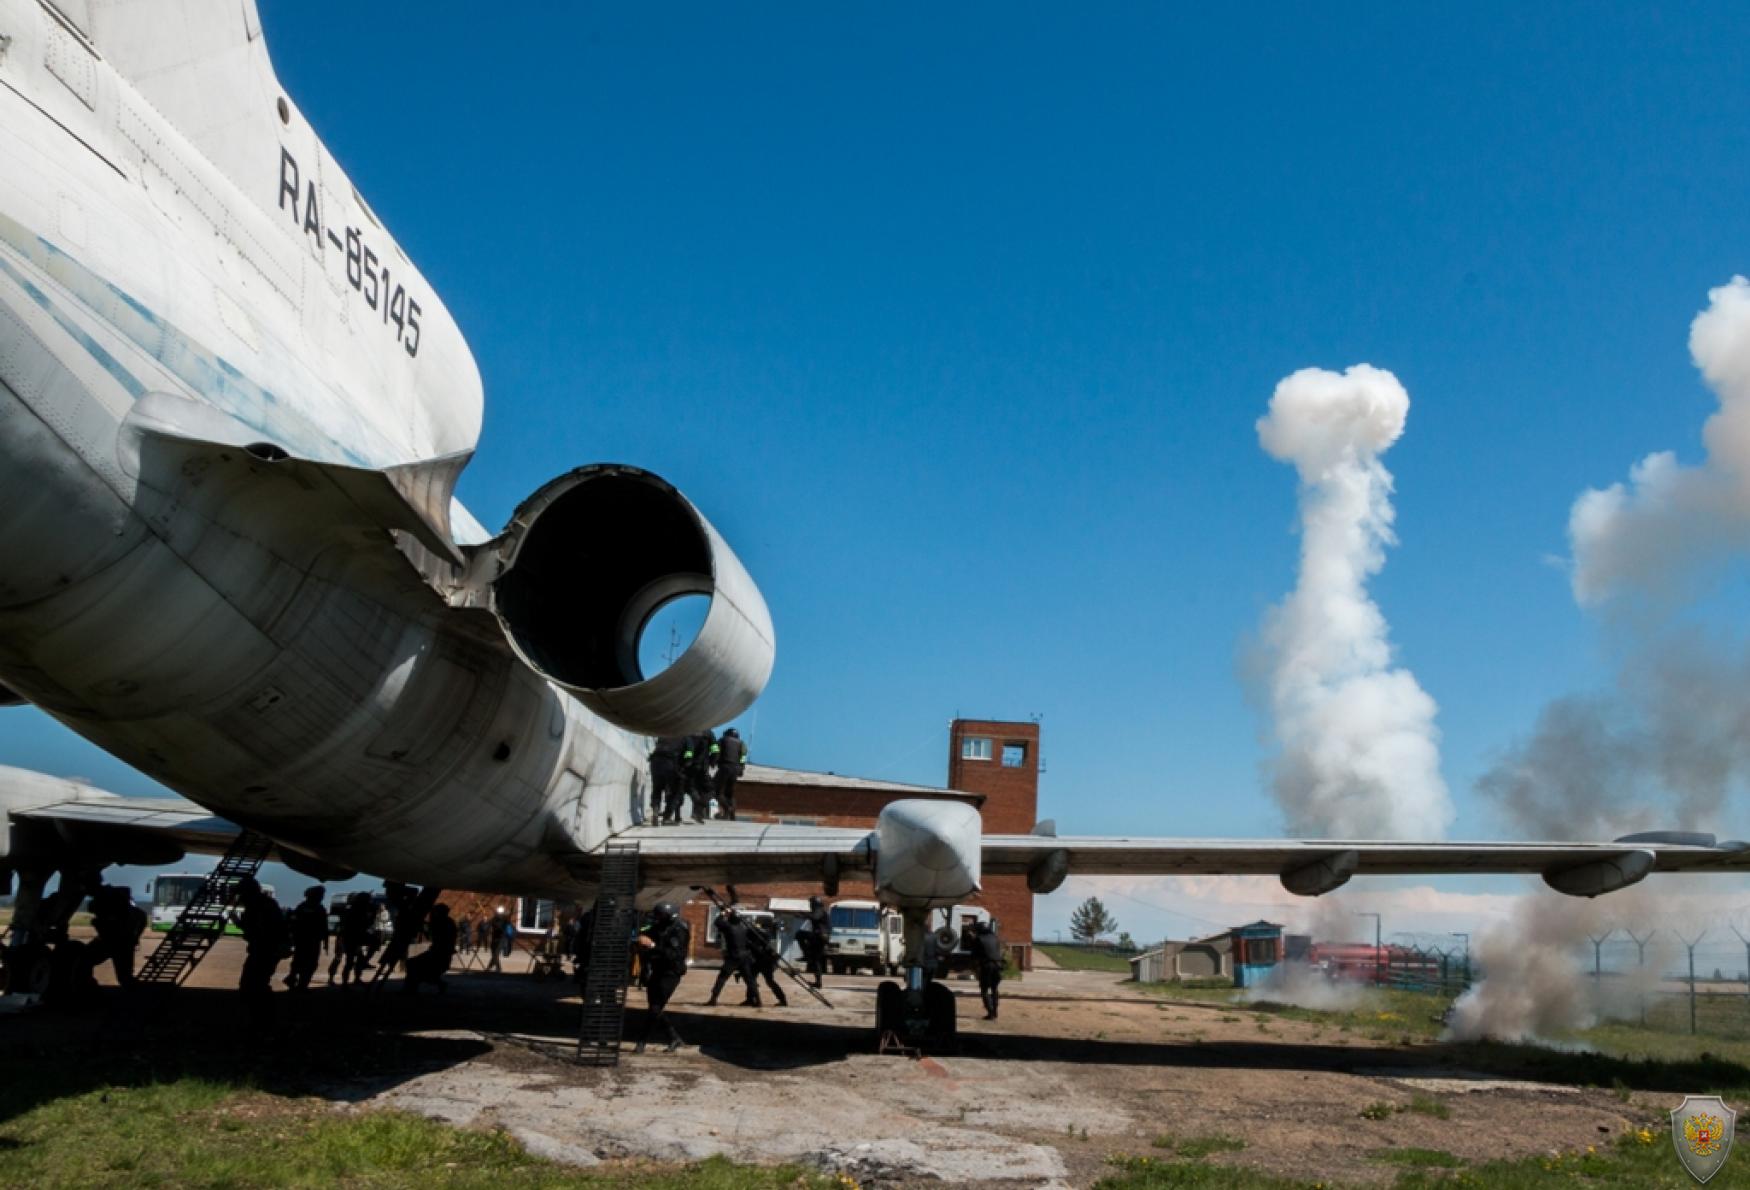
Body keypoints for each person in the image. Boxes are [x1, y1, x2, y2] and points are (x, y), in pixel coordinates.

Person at [633, 902, 691, 1053]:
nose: (658, 919)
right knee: (654, 1008)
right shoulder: (660, 926)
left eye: (661, 916)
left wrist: (652, 945)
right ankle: (674, 1038)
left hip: (671, 973)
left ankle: (641, 1042)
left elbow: (673, 954)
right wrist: (641, 936)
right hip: (658, 970)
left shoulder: (679, 930)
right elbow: (647, 931)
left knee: (655, 1007)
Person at [233, 876, 286, 1021]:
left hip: (263, 951)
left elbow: (258, 931)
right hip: (265, 951)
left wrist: (239, 923)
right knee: (257, 984)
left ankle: (262, 1018)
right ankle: (263, 1017)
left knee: (253, 985)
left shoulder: (258, 906)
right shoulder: (267, 904)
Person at [86, 884, 147, 989]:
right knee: (125, 976)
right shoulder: (135, 912)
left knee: (84, 960)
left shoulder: (106, 909)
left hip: (111, 943)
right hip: (124, 943)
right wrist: (135, 937)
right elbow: (142, 920)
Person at [705, 907, 760, 1007]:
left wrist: (723, 913)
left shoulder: (729, 927)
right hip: (744, 957)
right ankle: (758, 1001)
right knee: (750, 980)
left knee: (722, 978)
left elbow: (717, 922)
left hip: (733, 957)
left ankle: (713, 999)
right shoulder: (743, 928)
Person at [403, 904, 458, 994]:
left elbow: (434, 935)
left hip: (440, 956)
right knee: (415, 966)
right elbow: (431, 933)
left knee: (413, 965)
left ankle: (411, 990)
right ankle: (438, 983)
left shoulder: (444, 923)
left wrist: (425, 925)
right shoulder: (446, 922)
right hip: (438, 954)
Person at [286, 885, 329, 990]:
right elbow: (324, 927)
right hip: (311, 941)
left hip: (302, 940)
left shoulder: (302, 907)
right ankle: (301, 984)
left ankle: (294, 980)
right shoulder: (319, 909)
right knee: (310, 964)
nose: (322, 897)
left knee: (298, 962)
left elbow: (293, 923)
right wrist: (325, 943)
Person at [746, 914, 788, 1007]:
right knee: (751, 979)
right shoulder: (760, 932)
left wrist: (750, 924)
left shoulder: (766, 932)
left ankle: (782, 999)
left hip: (765, 960)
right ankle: (750, 999)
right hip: (758, 960)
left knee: (769, 981)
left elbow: (758, 931)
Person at [335, 891, 376, 985]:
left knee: (356, 961)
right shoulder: (355, 910)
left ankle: (355, 978)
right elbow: (358, 925)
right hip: (351, 938)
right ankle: (346, 983)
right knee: (350, 962)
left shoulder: (358, 909)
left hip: (355, 938)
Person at [712, 727, 748, 820]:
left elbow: (716, 752)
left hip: (725, 767)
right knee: (729, 793)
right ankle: (732, 815)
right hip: (736, 769)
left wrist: (713, 761)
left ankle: (727, 809)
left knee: (716, 791)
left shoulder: (722, 740)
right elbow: (743, 756)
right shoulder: (741, 743)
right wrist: (741, 768)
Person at [796, 895, 831, 989]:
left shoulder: (819, 910)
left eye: (811, 904)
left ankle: (806, 955)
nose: (810, 906)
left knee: (799, 934)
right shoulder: (819, 910)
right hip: (820, 938)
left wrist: (803, 915)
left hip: (819, 936)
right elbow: (813, 917)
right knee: (816, 960)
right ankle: (818, 982)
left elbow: (814, 917)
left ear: (815, 904)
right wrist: (802, 915)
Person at [681, 729, 716, 823]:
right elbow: (715, 749)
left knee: (691, 788)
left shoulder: (688, 730)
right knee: (710, 790)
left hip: (689, 766)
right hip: (703, 766)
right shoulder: (709, 733)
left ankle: (695, 812)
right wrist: (713, 762)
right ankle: (698, 810)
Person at [649, 737, 686, 825]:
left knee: (657, 788)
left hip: (655, 761)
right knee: (674, 791)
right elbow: (688, 754)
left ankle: (656, 808)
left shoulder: (663, 735)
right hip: (670, 762)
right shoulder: (684, 737)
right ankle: (667, 817)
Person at [973, 919, 1004, 1020]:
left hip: (987, 966)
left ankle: (990, 1012)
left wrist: (975, 968)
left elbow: (974, 956)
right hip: (998, 965)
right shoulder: (995, 938)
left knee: (984, 990)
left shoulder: (978, 938)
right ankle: (995, 1011)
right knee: (994, 989)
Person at [486, 907, 510, 973]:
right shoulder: (494, 919)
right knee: (494, 954)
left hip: (501, 939)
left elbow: (506, 926)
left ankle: (492, 968)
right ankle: (495, 967)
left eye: (500, 913)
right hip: (494, 939)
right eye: (497, 913)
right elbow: (489, 925)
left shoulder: (505, 920)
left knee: (496, 954)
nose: (498, 914)